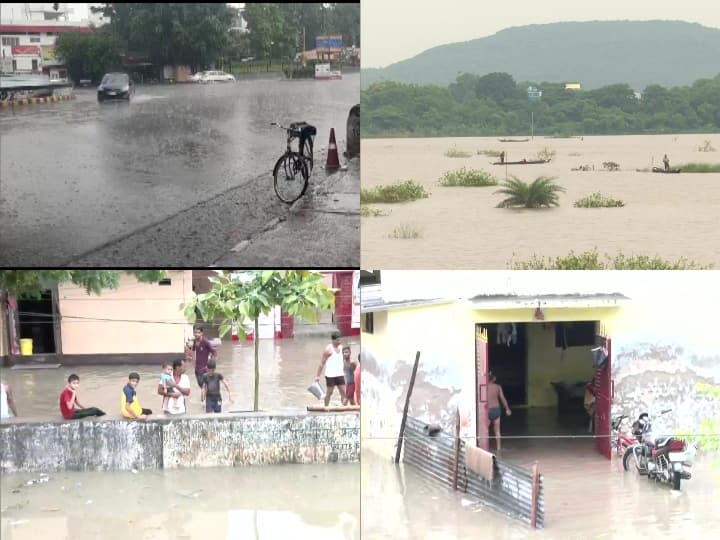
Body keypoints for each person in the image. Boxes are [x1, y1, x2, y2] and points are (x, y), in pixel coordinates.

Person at [316, 331, 346, 406]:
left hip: (340, 374)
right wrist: (317, 376)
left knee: (344, 393)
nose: (339, 341)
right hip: (330, 375)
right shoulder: (328, 349)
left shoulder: (341, 347)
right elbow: (321, 363)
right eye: (338, 340)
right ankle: (326, 407)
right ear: (333, 340)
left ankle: (343, 408)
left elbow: (342, 360)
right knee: (329, 393)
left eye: (340, 340)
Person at [487, 371, 511, 451]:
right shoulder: (498, 387)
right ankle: (499, 448)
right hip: (496, 410)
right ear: (494, 379)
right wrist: (507, 409)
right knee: (497, 431)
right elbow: (502, 398)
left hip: (487, 410)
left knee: (485, 430)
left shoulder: (484, 386)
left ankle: (485, 448)